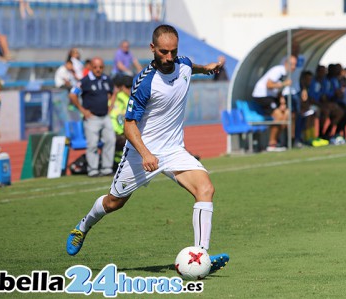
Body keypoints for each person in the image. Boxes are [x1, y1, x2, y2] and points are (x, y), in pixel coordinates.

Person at [66, 25, 229, 275]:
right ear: (152, 48)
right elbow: (128, 125)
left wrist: (205, 68)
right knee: (113, 203)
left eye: (173, 52)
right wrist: (145, 154)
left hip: (173, 150)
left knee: (206, 188)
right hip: (142, 152)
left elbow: (188, 66)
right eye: (163, 52)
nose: (169, 58)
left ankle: (200, 255)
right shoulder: (145, 82)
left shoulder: (183, 63)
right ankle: (83, 226)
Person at [68, 57, 116, 177]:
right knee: (92, 144)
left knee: (110, 140)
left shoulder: (106, 79)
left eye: (100, 67)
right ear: (91, 67)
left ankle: (107, 168)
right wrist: (82, 110)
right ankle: (93, 169)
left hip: (105, 116)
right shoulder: (85, 81)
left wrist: (111, 106)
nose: (98, 70)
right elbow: (73, 94)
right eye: (95, 67)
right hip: (92, 118)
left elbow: (114, 91)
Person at [252, 56, 297, 151]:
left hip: (272, 97)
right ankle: (271, 144)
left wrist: (282, 101)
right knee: (279, 117)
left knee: (287, 114)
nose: (294, 67)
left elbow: (278, 90)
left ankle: (279, 141)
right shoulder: (278, 71)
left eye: (295, 65)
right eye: (292, 64)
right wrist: (284, 84)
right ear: (286, 63)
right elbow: (269, 85)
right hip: (262, 96)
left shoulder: (286, 74)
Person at [110, 75, 133, 169]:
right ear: (122, 87)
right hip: (116, 132)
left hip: (122, 132)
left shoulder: (129, 98)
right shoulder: (118, 98)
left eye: (131, 87)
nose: (130, 89)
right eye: (127, 87)